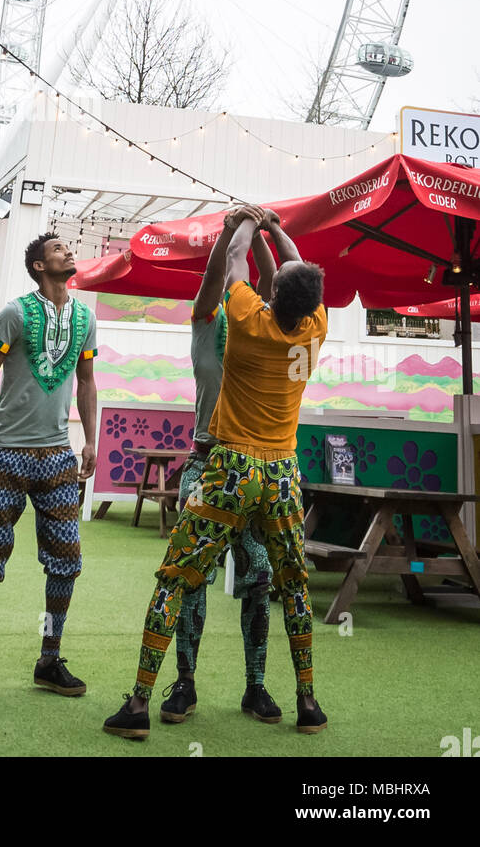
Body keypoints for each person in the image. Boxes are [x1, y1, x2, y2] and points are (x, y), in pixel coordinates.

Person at [103, 208, 328, 740]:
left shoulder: (248, 319)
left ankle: (138, 703)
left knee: (175, 579)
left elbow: (234, 264)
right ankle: (308, 702)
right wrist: (275, 230)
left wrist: (244, 225)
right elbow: (285, 272)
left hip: (228, 466)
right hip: (282, 473)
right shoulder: (315, 326)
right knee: (293, 584)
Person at [0, 234, 97, 702]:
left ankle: (49, 661)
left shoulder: (86, 318)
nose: (68, 251)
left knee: (67, 563)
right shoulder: (14, 313)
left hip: (58, 456)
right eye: (58, 249)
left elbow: (86, 381)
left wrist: (90, 439)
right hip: (7, 454)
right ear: (39, 265)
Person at [160, 205, 281, 728]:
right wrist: (232, 231)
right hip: (207, 464)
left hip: (254, 469)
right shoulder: (208, 326)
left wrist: (258, 234)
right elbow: (214, 278)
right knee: (191, 578)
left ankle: (256, 687)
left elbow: (276, 283)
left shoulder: (266, 329)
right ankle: (185, 683)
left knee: (260, 576)